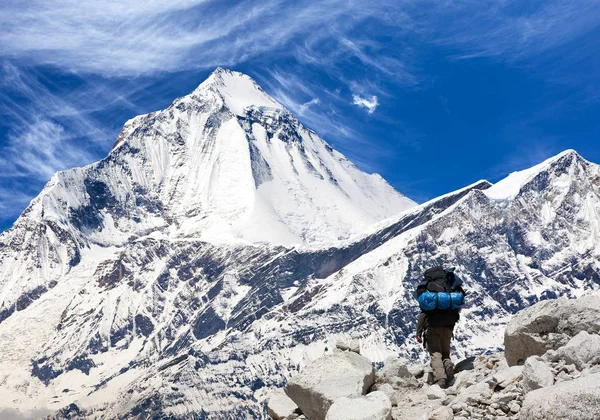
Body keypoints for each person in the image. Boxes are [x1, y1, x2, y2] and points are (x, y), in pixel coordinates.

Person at [415, 266, 465, 388]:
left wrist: (419, 332)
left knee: (435, 353)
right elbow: (456, 311)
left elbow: (423, 315)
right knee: (445, 353)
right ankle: (448, 364)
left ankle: (440, 380)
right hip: (448, 327)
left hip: (432, 327)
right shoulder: (448, 288)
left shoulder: (429, 291)